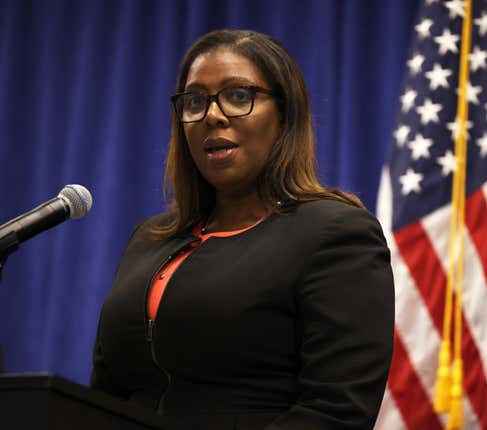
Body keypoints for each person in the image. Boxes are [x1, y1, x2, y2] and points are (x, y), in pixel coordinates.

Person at [90, 29, 394, 430]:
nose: (212, 115)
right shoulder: (150, 238)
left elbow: (336, 411)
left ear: (285, 115)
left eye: (238, 96)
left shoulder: (335, 233)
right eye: (195, 101)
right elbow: (102, 398)